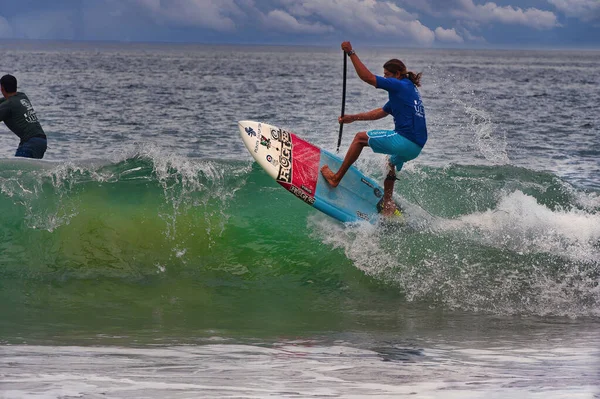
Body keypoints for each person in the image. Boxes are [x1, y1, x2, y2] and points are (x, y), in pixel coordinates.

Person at [321, 41, 427, 216]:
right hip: (416, 147)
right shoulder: (408, 89)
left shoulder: (398, 85)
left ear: (398, 74)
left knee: (359, 138)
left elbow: (368, 78)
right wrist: (352, 118)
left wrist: (351, 53)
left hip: (405, 140)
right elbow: (380, 112)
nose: (385, 79)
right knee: (390, 162)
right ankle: (387, 203)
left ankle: (335, 178)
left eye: (387, 75)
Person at [0, 74, 47, 159]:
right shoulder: (22, 96)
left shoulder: (8, 105)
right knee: (30, 171)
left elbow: (6, 104)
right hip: (41, 141)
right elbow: (4, 101)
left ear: (2, 88)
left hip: (30, 143)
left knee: (15, 170)